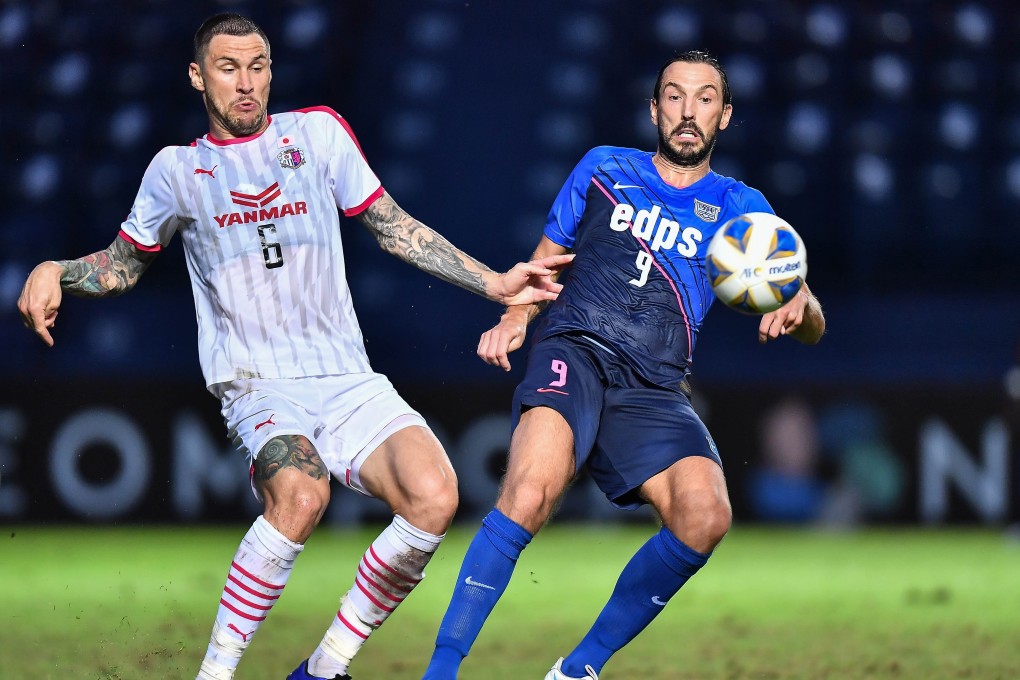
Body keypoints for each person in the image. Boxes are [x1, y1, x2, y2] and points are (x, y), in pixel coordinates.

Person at [17, 13, 572, 680]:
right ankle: (215, 675)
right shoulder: (178, 171)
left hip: (345, 374)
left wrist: (495, 283)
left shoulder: (318, 135)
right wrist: (58, 272)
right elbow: (122, 265)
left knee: (435, 497)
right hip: (257, 381)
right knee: (303, 494)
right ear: (198, 76)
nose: (246, 83)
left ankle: (324, 667)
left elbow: (394, 228)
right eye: (228, 68)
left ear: (272, 69)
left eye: (257, 66)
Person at [421, 50, 826, 679]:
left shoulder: (743, 206)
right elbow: (543, 267)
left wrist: (802, 300)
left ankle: (577, 669)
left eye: (705, 99)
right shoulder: (605, 168)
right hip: (575, 351)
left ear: (724, 117)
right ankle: (441, 672)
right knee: (527, 494)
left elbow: (811, 322)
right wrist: (513, 319)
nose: (688, 111)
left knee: (706, 514)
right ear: (654, 107)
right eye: (674, 96)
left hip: (656, 386)